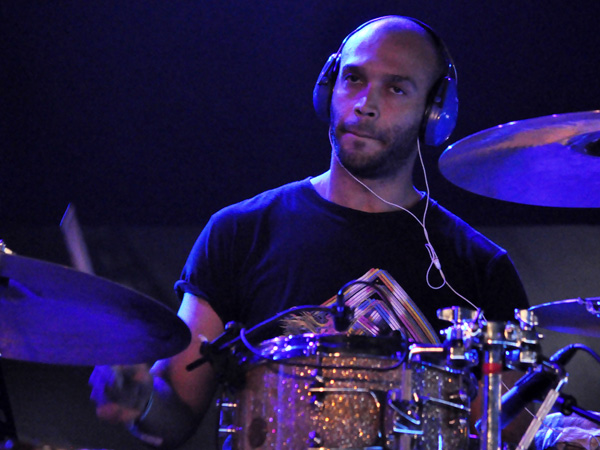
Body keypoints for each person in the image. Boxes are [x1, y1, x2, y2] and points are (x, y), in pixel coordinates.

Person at [89, 15, 530, 449]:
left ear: (435, 114)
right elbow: (176, 415)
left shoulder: (479, 267)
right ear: (328, 89)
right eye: (354, 79)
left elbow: (511, 431)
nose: (365, 103)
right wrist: (140, 398)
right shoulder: (239, 232)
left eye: (396, 88)